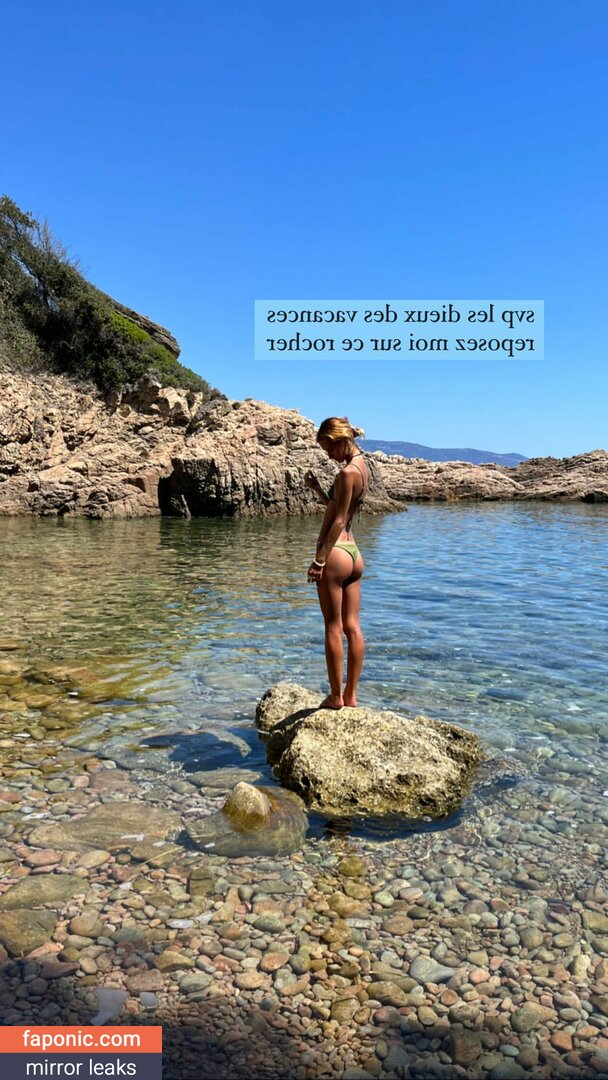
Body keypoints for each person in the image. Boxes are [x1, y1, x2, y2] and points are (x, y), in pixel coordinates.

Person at [305, 417, 369, 709]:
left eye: (330, 448)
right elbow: (339, 507)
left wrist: (319, 560)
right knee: (353, 627)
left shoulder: (346, 473)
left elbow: (339, 520)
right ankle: (351, 695)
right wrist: (319, 490)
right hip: (354, 555)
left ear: (342, 441)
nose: (329, 455)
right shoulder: (362, 468)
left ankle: (335, 696)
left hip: (336, 555)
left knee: (333, 626)